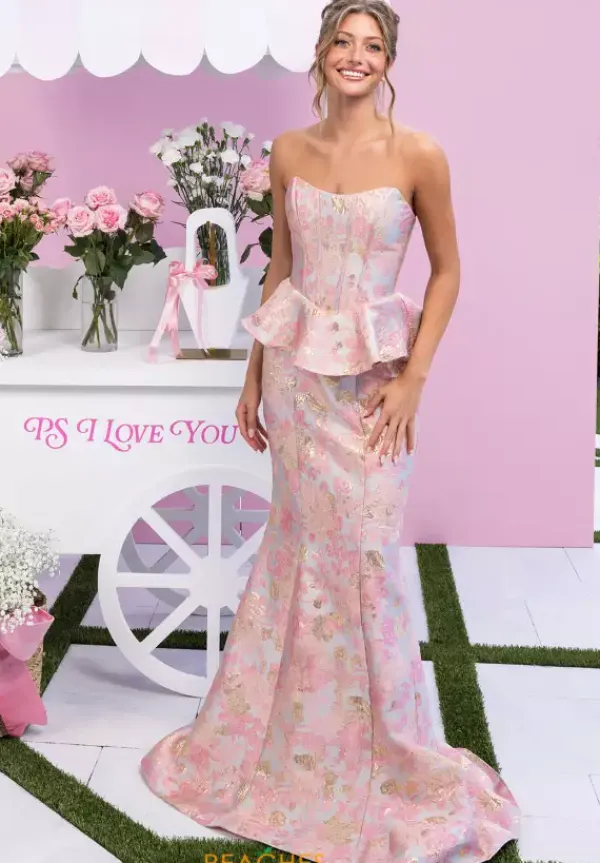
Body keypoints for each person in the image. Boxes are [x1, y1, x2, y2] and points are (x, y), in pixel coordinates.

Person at [141, 1, 520, 860]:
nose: (356, 55)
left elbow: (450, 270)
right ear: (320, 53)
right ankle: (290, 747)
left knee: (367, 560)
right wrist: (252, 374)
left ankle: (382, 755)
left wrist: (415, 379)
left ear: (389, 61)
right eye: (342, 41)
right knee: (296, 552)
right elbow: (282, 267)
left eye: (372, 45)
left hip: (375, 385)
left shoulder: (419, 154)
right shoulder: (289, 151)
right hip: (296, 385)